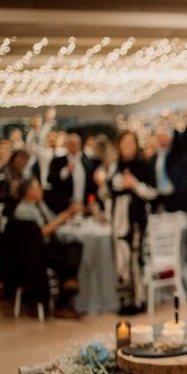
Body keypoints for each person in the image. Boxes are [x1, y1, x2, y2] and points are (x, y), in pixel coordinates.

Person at [98, 131, 157, 315]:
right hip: (118, 220)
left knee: (136, 257)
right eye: (125, 142)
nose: (128, 146)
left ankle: (139, 299)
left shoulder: (144, 166)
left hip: (137, 219)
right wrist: (106, 184)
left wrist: (134, 185)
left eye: (131, 142)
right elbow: (105, 194)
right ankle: (124, 299)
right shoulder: (115, 167)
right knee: (121, 259)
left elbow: (153, 193)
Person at [14, 177, 83, 319]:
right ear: (28, 192)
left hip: (51, 245)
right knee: (65, 261)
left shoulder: (40, 204)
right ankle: (62, 304)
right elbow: (41, 232)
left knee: (75, 245)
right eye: (38, 187)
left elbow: (53, 221)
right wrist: (64, 217)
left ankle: (70, 281)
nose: (41, 190)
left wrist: (68, 213)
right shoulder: (23, 210)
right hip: (35, 252)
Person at [47, 133, 95, 214]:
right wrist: (65, 171)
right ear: (67, 145)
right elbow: (50, 180)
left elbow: (91, 186)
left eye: (76, 144)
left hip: (83, 207)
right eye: (71, 144)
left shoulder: (87, 162)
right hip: (64, 207)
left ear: (80, 145)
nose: (74, 146)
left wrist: (91, 202)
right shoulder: (58, 161)